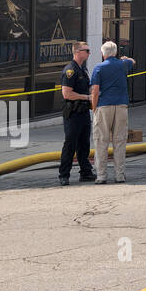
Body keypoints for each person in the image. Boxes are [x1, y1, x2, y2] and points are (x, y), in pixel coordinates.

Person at [90, 41, 134, 183]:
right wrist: (124, 59)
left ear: (103, 54)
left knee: (101, 141)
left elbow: (95, 91)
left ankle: (101, 175)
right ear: (115, 53)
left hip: (104, 106)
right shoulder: (123, 64)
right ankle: (119, 175)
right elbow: (133, 61)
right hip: (121, 106)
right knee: (120, 141)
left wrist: (94, 108)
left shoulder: (99, 68)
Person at [57, 42, 96, 186]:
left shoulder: (83, 69)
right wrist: (87, 97)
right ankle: (64, 175)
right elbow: (67, 94)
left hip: (84, 111)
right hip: (73, 113)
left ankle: (85, 172)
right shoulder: (70, 71)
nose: (89, 53)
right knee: (70, 144)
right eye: (87, 50)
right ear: (78, 52)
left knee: (84, 144)